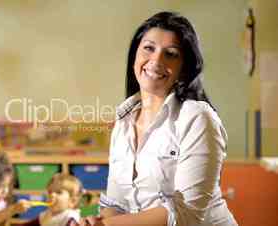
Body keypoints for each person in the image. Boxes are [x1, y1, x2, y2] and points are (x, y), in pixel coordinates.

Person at [78, 11, 238, 226]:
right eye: (149, 48)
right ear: (135, 56)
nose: (156, 60)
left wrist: (105, 225)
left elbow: (186, 214)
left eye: (171, 53)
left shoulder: (197, 117)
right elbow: (117, 203)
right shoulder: (123, 120)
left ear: (184, 69)